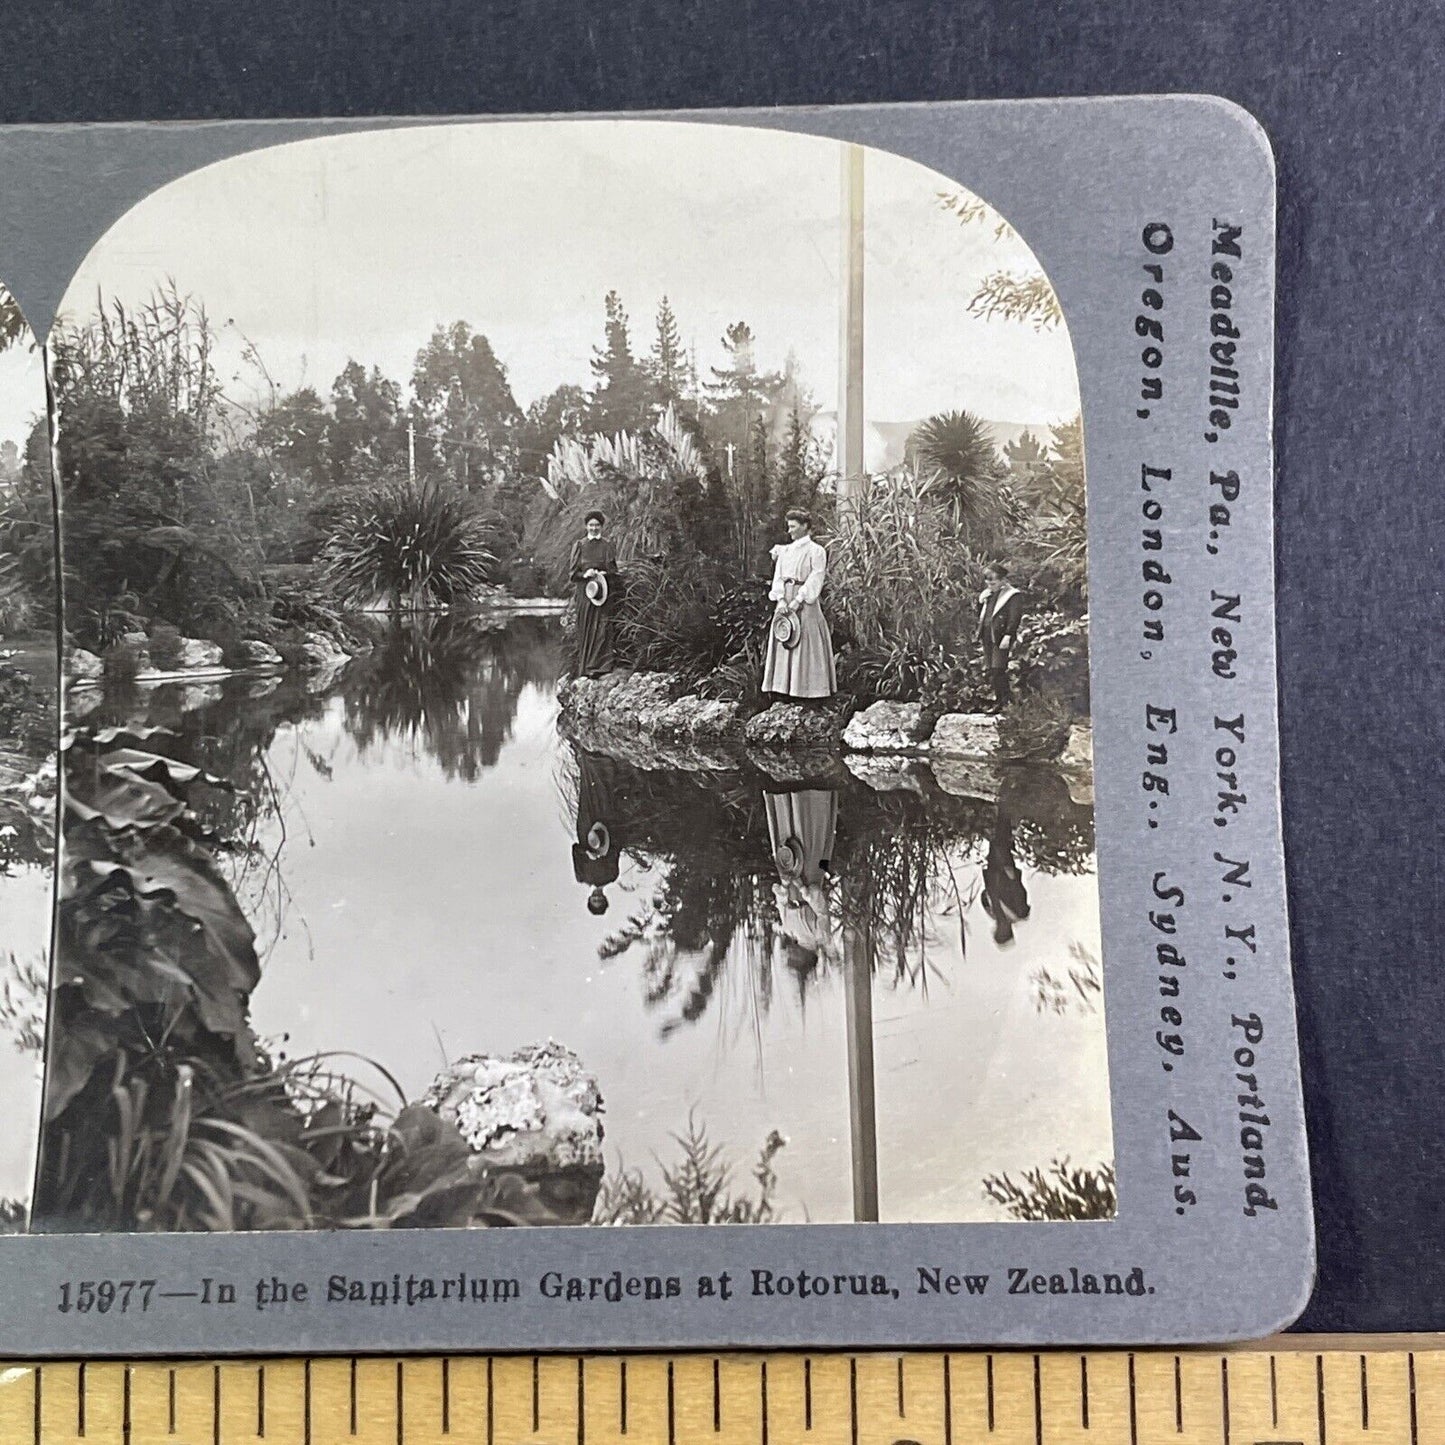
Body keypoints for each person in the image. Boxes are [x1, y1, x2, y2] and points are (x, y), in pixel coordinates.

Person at [762, 508, 837, 701]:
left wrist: (797, 600)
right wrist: (780, 600)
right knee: (784, 635)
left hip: (804, 600)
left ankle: (809, 692)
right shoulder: (785, 551)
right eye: (789, 526)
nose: (790, 531)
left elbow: (816, 578)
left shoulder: (816, 551)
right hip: (785, 600)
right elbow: (778, 576)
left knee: (805, 639)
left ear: (805, 527)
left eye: (794, 526)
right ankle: (783, 690)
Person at [568, 510, 620, 678]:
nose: (594, 528)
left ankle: (603, 666)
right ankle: (587, 667)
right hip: (585, 593)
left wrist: (603, 574)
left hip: (603, 591)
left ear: (601, 526)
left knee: (603, 627)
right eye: (591, 525)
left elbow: (614, 571)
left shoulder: (607, 545)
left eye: (597, 525)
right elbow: (572, 575)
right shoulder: (580, 545)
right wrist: (585, 574)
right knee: (587, 627)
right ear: (586, 526)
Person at [978, 562, 1025, 710]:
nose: (990, 583)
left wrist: (1008, 635)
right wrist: (981, 601)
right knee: (992, 669)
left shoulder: (1012, 595)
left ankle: (1004, 703)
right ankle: (1001, 700)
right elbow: (983, 616)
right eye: (987, 579)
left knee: (999, 668)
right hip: (987, 634)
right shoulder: (988, 595)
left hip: (1000, 636)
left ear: (1003, 580)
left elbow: (1014, 617)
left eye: (994, 580)